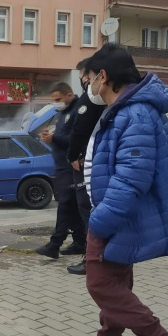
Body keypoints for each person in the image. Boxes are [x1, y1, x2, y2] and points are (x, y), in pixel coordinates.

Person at [68, 43, 168, 336]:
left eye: (90, 77)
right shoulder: (127, 110)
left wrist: (100, 221)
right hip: (117, 214)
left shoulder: (135, 113)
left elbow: (132, 179)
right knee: (116, 283)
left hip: (114, 217)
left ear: (103, 77)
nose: (87, 83)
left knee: (100, 284)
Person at [64, 58, 107, 275]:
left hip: (85, 162)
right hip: (93, 160)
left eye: (85, 75)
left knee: (88, 211)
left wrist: (72, 154)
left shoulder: (91, 100)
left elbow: (79, 130)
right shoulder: (101, 99)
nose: (83, 80)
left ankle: (92, 260)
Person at [35, 82, 86, 259]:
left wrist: (54, 137)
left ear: (69, 95)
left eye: (58, 99)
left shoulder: (78, 110)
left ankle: (55, 244)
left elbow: (76, 137)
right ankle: (80, 242)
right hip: (62, 166)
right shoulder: (64, 112)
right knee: (71, 206)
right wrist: (52, 136)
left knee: (65, 204)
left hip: (70, 166)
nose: (56, 103)